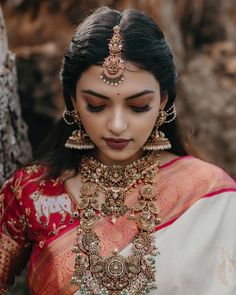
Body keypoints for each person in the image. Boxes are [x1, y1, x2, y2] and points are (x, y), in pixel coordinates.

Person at [0, 6, 236, 295]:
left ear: (163, 101)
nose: (117, 125)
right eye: (96, 106)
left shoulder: (209, 194)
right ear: (72, 100)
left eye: (138, 107)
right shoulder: (33, 193)